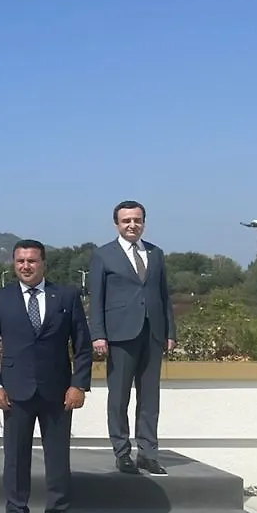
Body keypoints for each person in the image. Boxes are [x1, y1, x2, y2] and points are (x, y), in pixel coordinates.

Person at [0, 239, 92, 513]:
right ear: (14, 264)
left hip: (58, 393)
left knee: (58, 459)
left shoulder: (66, 296)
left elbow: (82, 346)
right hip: (14, 393)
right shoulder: (0, 298)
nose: (26, 266)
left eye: (32, 261)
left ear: (43, 263)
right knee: (16, 459)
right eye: (20, 261)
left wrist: (78, 384)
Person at [88, 200, 177, 476]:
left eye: (137, 220)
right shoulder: (103, 255)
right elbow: (96, 299)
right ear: (117, 223)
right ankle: (122, 452)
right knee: (119, 397)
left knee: (150, 398)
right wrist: (98, 334)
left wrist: (170, 332)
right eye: (126, 220)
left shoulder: (155, 253)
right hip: (120, 335)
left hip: (153, 333)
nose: (132, 225)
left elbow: (164, 295)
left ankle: (148, 453)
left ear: (144, 223)